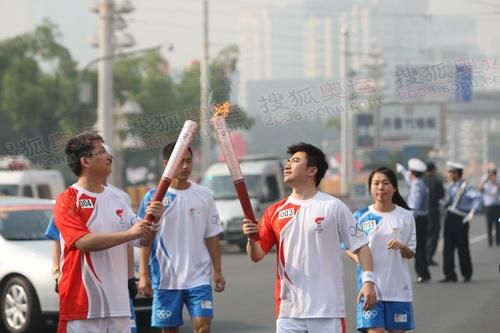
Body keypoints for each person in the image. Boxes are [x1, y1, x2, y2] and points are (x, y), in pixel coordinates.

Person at [242, 142, 377, 333]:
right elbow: (256, 254)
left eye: (295, 161)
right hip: (288, 311)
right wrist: (250, 238)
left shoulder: (333, 206)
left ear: (312, 170)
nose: (287, 165)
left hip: (327, 310)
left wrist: (369, 281)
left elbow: (361, 246)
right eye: (288, 161)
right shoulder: (275, 211)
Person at [53, 132, 163, 333]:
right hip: (82, 305)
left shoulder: (118, 198)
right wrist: (130, 234)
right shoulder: (68, 199)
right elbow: (83, 241)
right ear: (85, 161)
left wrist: (154, 222)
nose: (108, 156)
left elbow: (143, 241)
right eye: (101, 152)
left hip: (118, 305)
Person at [138, 142, 225, 333]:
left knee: (203, 327)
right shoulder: (154, 198)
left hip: (199, 277)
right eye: (179, 162)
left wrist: (217, 270)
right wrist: (143, 275)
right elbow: (144, 239)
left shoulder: (204, 195)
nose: (185, 166)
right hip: (166, 279)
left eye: (188, 161)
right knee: (170, 331)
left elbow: (212, 235)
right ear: (166, 164)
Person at [346, 167, 416, 333]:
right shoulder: (360, 216)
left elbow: (411, 253)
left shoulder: (406, 216)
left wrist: (401, 246)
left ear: (394, 187)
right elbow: (348, 248)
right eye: (376, 183)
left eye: (385, 183)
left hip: (398, 289)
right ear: (370, 188)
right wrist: (362, 261)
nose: (380, 187)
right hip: (370, 287)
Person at [440, 161, 482, 283]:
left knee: (462, 247)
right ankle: (449, 274)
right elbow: (447, 201)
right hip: (450, 217)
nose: (448, 175)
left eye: (450, 172)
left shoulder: (466, 187)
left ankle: (467, 273)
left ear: (456, 174)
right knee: (447, 247)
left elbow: (477, 197)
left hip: (461, 218)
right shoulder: (450, 186)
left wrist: (473, 212)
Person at [396, 158, 430, 283]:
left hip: (418, 218)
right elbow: (408, 178)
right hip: (422, 218)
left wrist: (407, 219)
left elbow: (415, 206)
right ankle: (424, 272)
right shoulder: (418, 182)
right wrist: (402, 170)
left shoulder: (417, 186)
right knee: (421, 247)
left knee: (418, 247)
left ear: (412, 172)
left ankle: (422, 273)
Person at [423, 161, 445, 266]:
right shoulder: (437, 181)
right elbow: (441, 196)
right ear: (433, 170)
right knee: (434, 234)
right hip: (433, 210)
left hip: (423, 212)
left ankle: (424, 256)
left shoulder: (421, 181)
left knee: (425, 234)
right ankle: (429, 256)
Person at [478, 168, 499, 247]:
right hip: (488, 207)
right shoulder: (485, 184)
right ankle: (490, 241)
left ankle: (498, 241)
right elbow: (479, 189)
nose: (491, 176)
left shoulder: (498, 183)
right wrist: (484, 180)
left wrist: (496, 182)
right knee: (489, 224)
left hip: (497, 207)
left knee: (498, 223)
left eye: (493, 175)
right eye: (490, 175)